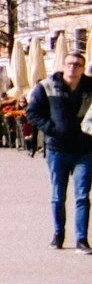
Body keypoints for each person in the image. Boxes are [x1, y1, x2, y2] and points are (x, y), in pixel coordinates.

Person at [27, 49, 92, 251]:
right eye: (69, 64)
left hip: (85, 149)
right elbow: (32, 112)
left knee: (82, 196)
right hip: (58, 149)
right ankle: (58, 234)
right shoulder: (46, 87)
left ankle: (81, 239)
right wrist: (50, 129)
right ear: (63, 66)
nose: (73, 67)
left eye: (77, 64)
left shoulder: (90, 87)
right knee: (58, 195)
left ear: (83, 68)